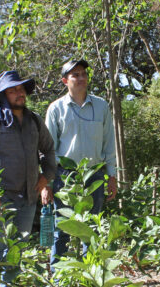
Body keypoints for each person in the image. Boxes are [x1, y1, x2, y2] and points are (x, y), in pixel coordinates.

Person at [0, 70, 56, 287]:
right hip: (0, 196)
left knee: (17, 246)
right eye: (12, 90)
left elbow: (49, 150)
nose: (19, 93)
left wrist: (46, 177)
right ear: (2, 95)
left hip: (28, 197)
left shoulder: (34, 121)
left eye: (21, 88)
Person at [45, 60, 117, 267]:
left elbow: (109, 144)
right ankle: (59, 278)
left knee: (92, 229)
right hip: (64, 177)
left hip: (94, 176)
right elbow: (48, 150)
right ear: (65, 80)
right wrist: (47, 184)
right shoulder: (56, 109)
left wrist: (111, 176)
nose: (81, 78)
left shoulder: (101, 106)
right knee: (62, 228)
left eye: (84, 74)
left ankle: (92, 276)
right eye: (75, 75)